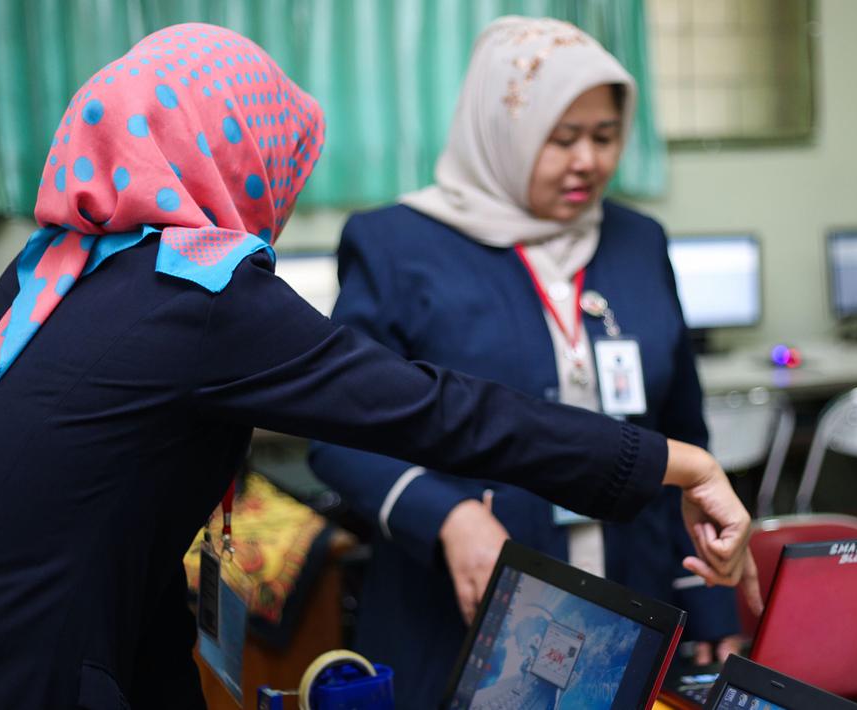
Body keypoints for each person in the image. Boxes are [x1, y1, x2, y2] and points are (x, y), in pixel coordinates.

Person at [0, 23, 755, 709]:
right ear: (238, 155)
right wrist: (672, 464)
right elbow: (429, 410)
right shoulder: (198, 295)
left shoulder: (53, 268)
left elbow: (113, 530)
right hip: (26, 670)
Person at [309, 17, 754, 709]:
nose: (586, 161)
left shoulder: (638, 240)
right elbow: (336, 431)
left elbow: (681, 432)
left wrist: (710, 597)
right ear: (501, 131)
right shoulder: (396, 244)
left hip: (630, 597)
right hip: (457, 611)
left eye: (604, 137)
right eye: (560, 137)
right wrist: (445, 515)